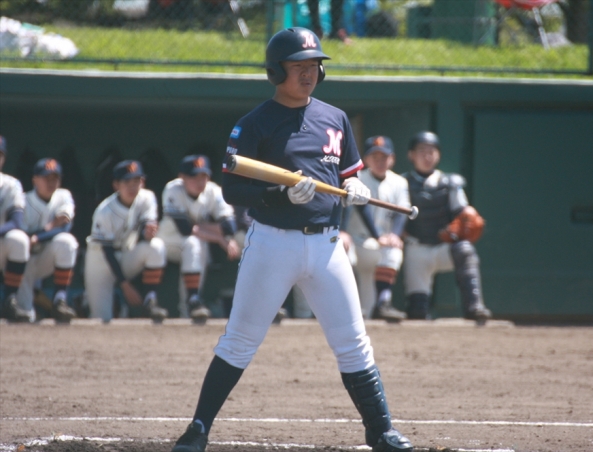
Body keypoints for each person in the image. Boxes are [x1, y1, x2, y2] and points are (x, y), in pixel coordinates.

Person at [171, 27, 413, 452]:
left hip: (327, 246)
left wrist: (354, 186)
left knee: (354, 344)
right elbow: (232, 191)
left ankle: (382, 431)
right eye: (298, 65)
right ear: (275, 71)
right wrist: (278, 194)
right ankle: (198, 429)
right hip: (272, 244)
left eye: (314, 65)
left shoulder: (335, 118)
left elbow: (347, 172)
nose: (309, 72)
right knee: (240, 341)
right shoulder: (254, 123)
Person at [402, 131, 492, 322]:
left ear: (438, 155)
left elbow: (464, 214)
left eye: (431, 152)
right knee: (417, 313)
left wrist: (466, 217)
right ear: (411, 155)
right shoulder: (401, 183)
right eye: (421, 151)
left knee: (465, 249)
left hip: (443, 246)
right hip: (416, 247)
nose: (427, 156)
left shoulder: (450, 183)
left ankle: (474, 306)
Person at [83, 160, 168, 323]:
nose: (132, 187)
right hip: (100, 261)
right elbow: (107, 251)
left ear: (142, 182)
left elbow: (146, 228)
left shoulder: (147, 197)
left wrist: (148, 232)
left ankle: (150, 300)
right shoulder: (104, 211)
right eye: (127, 182)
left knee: (156, 246)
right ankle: (86, 300)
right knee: (101, 319)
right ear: (116, 185)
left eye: (136, 181)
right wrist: (125, 285)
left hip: (126, 254)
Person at [157, 154, 239, 323]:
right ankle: (192, 301)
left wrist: (203, 228)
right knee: (193, 242)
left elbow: (230, 226)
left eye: (203, 176)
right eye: (194, 177)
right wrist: (220, 239)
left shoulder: (213, 190)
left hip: (193, 243)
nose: (200, 181)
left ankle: (191, 305)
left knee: (196, 244)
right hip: (167, 242)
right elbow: (185, 229)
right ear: (182, 177)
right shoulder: (173, 189)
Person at [345, 135, 410, 322]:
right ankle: (345, 306)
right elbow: (357, 208)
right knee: (343, 251)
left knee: (393, 249)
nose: (380, 161)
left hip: (379, 244)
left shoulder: (399, 182)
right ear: (366, 159)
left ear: (392, 159)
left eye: (384, 157)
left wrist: (395, 235)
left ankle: (383, 303)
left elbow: (402, 212)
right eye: (375, 157)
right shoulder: (357, 179)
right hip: (357, 242)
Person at [17, 158, 79, 323]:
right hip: (24, 262)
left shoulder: (63, 195)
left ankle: (60, 300)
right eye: (46, 178)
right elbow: (22, 236)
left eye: (55, 178)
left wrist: (38, 236)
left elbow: (65, 227)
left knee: (67, 241)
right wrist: (52, 226)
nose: (51, 182)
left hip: (46, 257)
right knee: (25, 316)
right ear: (35, 180)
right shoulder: (23, 200)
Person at [0, 136, 31, 322]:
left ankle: (10, 300)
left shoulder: (11, 184)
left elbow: (16, 221)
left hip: (1, 242)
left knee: (19, 239)